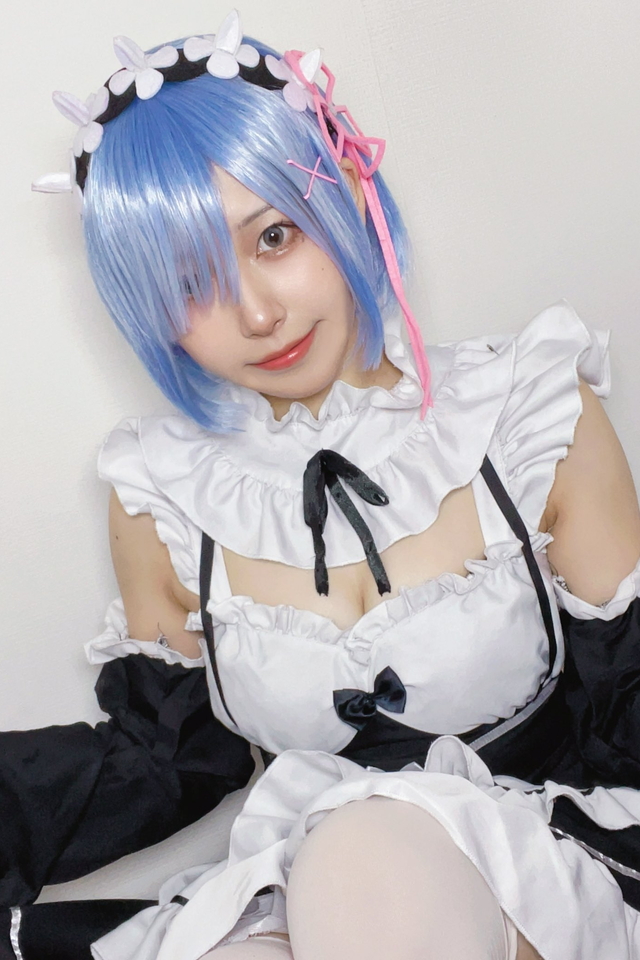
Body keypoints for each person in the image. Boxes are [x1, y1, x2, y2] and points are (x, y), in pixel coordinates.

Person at [3, 8, 640, 960]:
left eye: (273, 238)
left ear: (343, 192)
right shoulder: (162, 497)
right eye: (191, 283)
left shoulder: (528, 410)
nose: (257, 314)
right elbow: (166, 759)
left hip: (545, 872)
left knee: (365, 849)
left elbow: (631, 695)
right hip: (319, 891)